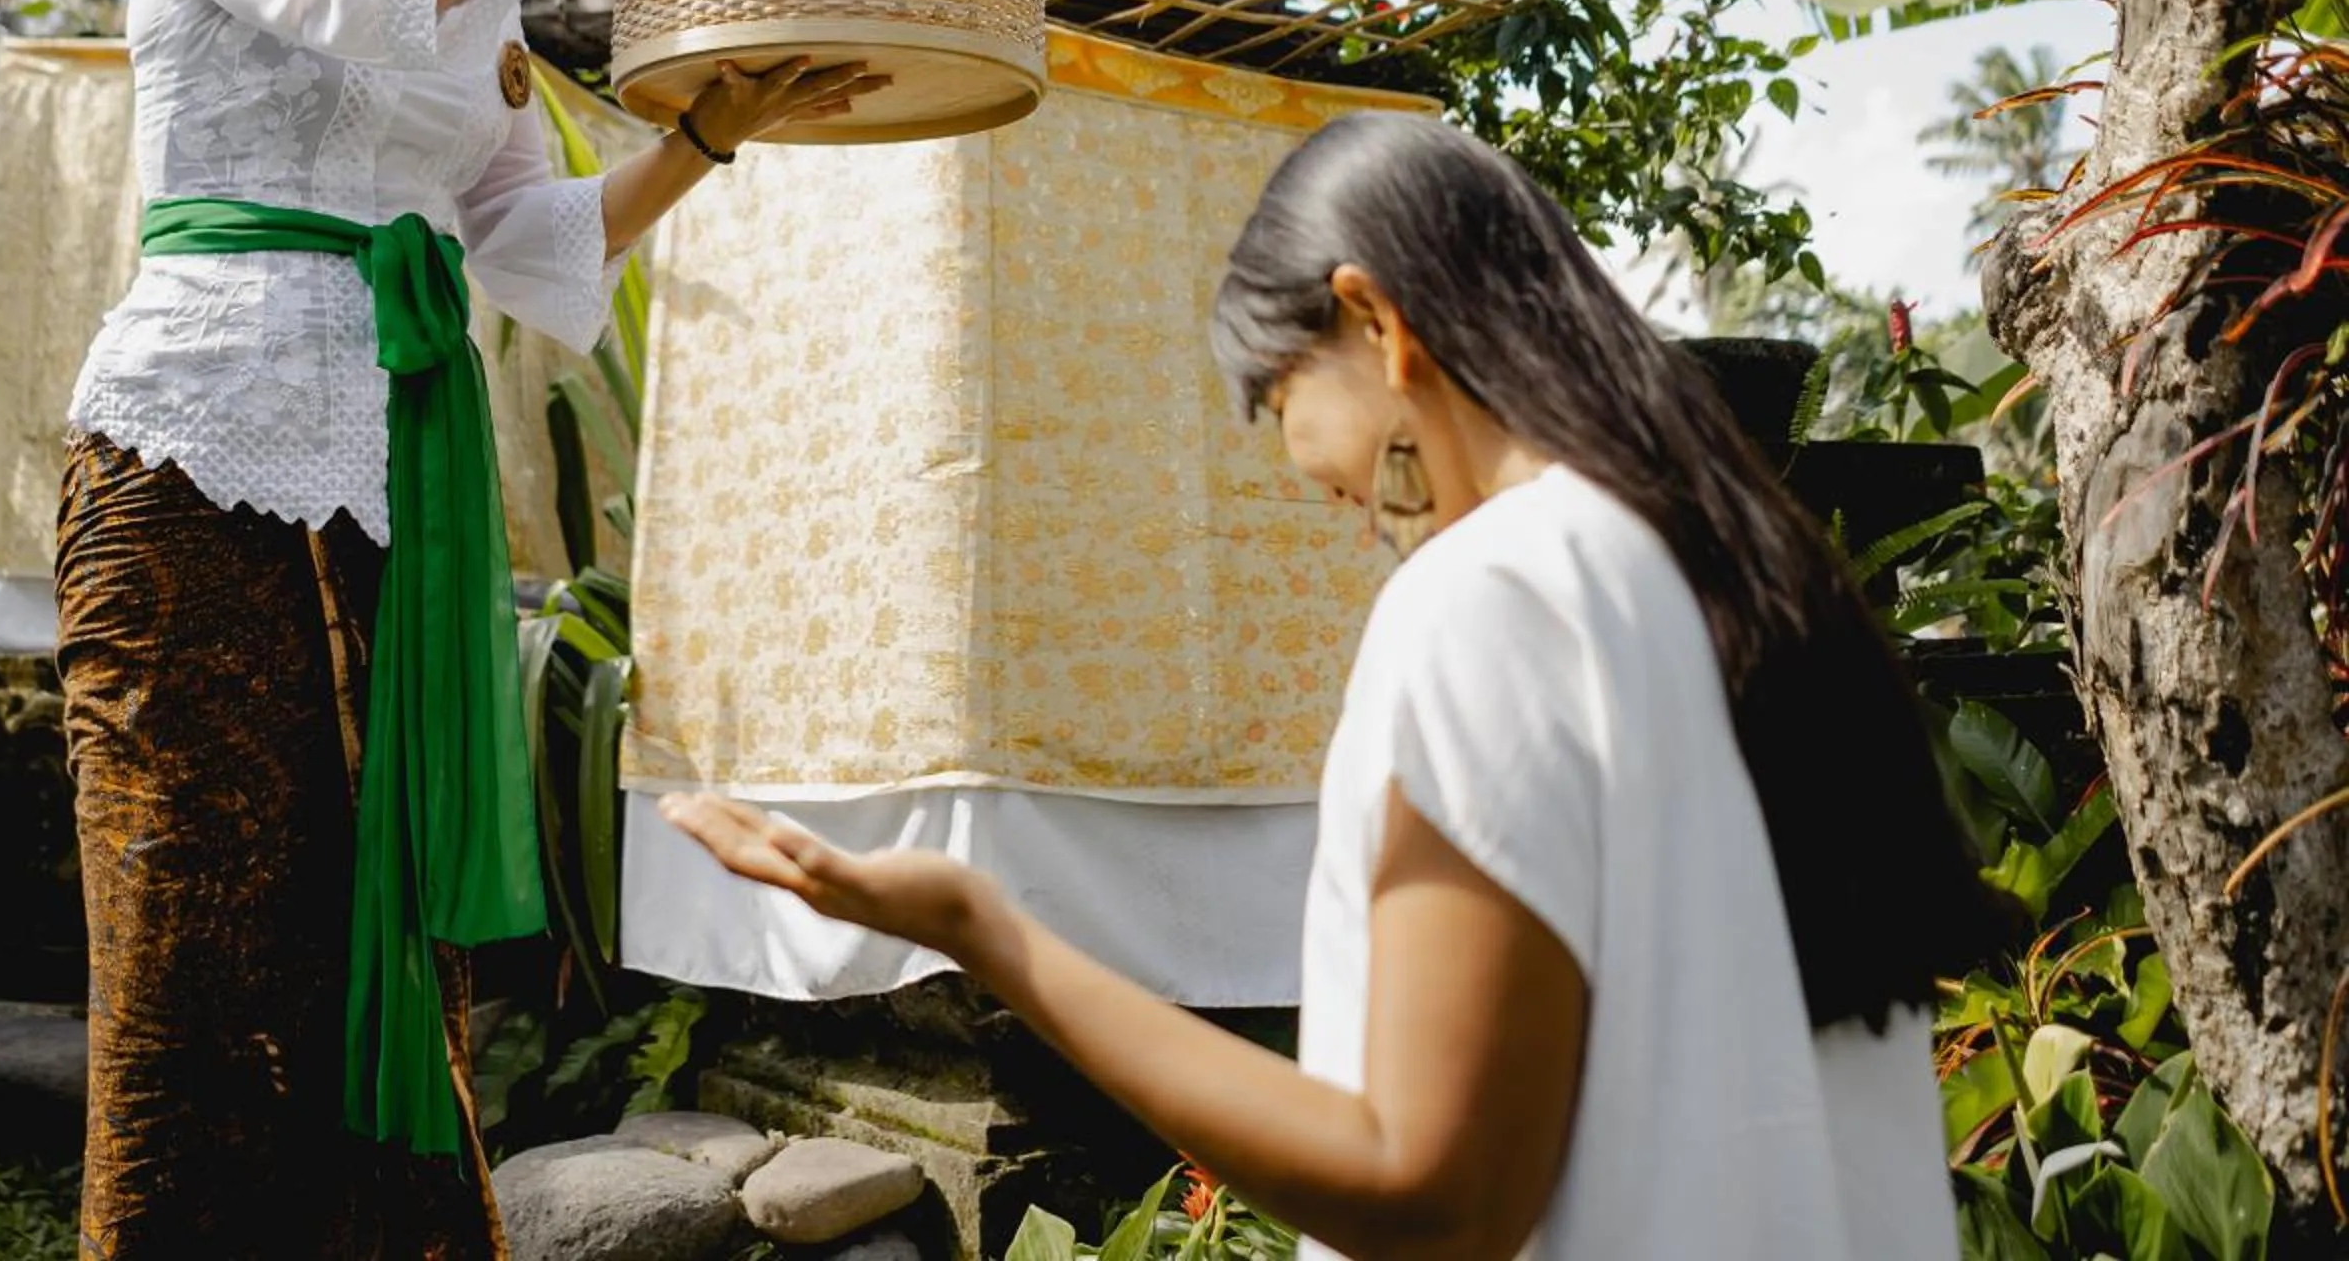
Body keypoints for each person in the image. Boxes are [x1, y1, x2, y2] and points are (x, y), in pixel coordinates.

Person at [666, 111, 2003, 1261]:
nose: (1320, 486)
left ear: (1373, 319)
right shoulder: (1752, 584)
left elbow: (1434, 1197)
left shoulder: (1496, 591)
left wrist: (988, 932)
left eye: (1277, 393)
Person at [58, 0, 876, 1260]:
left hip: (397, 491)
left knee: (387, 924)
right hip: (192, 464)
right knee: (194, 955)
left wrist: (708, 134)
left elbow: (525, 237)